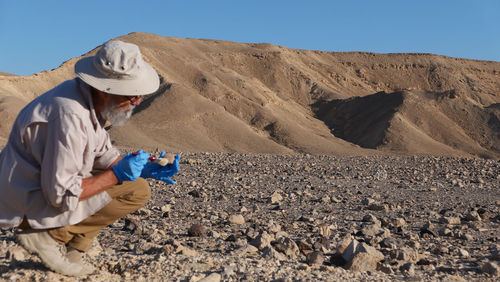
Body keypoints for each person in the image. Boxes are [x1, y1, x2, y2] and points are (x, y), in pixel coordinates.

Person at [0, 40, 179, 276]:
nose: (135, 103)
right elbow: (60, 194)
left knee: (136, 189)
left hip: (44, 184)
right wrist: (116, 174)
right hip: (26, 199)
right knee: (119, 185)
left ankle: (75, 247)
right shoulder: (70, 117)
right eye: (132, 97)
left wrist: (143, 167)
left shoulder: (88, 102)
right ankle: (43, 236)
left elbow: (103, 154)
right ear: (106, 91)